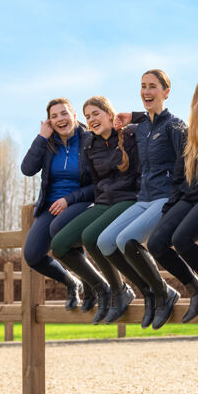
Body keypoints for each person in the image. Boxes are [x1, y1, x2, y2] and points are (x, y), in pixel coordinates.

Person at [95, 69, 186, 330]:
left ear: (166, 92)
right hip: (143, 198)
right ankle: (148, 292)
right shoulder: (141, 128)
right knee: (104, 242)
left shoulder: (175, 126)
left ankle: (163, 293)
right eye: (143, 86)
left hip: (165, 197)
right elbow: (111, 129)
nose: (146, 91)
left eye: (153, 86)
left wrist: (178, 198)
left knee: (127, 239)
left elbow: (185, 163)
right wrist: (134, 116)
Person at [147, 75, 198, 327]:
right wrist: (170, 208)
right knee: (156, 243)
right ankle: (196, 289)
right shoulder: (189, 132)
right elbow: (179, 175)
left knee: (182, 240)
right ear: (196, 96)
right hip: (189, 195)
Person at [51, 96, 141, 324]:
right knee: (59, 244)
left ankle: (120, 291)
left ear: (110, 114)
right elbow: (95, 181)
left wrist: (132, 116)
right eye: (87, 116)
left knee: (91, 237)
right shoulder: (90, 145)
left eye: (96, 114)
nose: (91, 119)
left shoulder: (130, 134)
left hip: (129, 198)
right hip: (103, 202)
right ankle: (102, 289)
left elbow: (154, 121)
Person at [21, 98, 94, 311]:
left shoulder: (89, 140)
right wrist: (41, 137)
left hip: (81, 202)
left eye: (64, 113)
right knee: (32, 255)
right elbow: (27, 169)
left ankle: (94, 286)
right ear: (50, 122)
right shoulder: (48, 142)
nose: (60, 119)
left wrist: (68, 200)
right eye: (54, 116)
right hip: (51, 207)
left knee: (61, 231)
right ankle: (72, 282)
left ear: (74, 116)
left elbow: (100, 184)